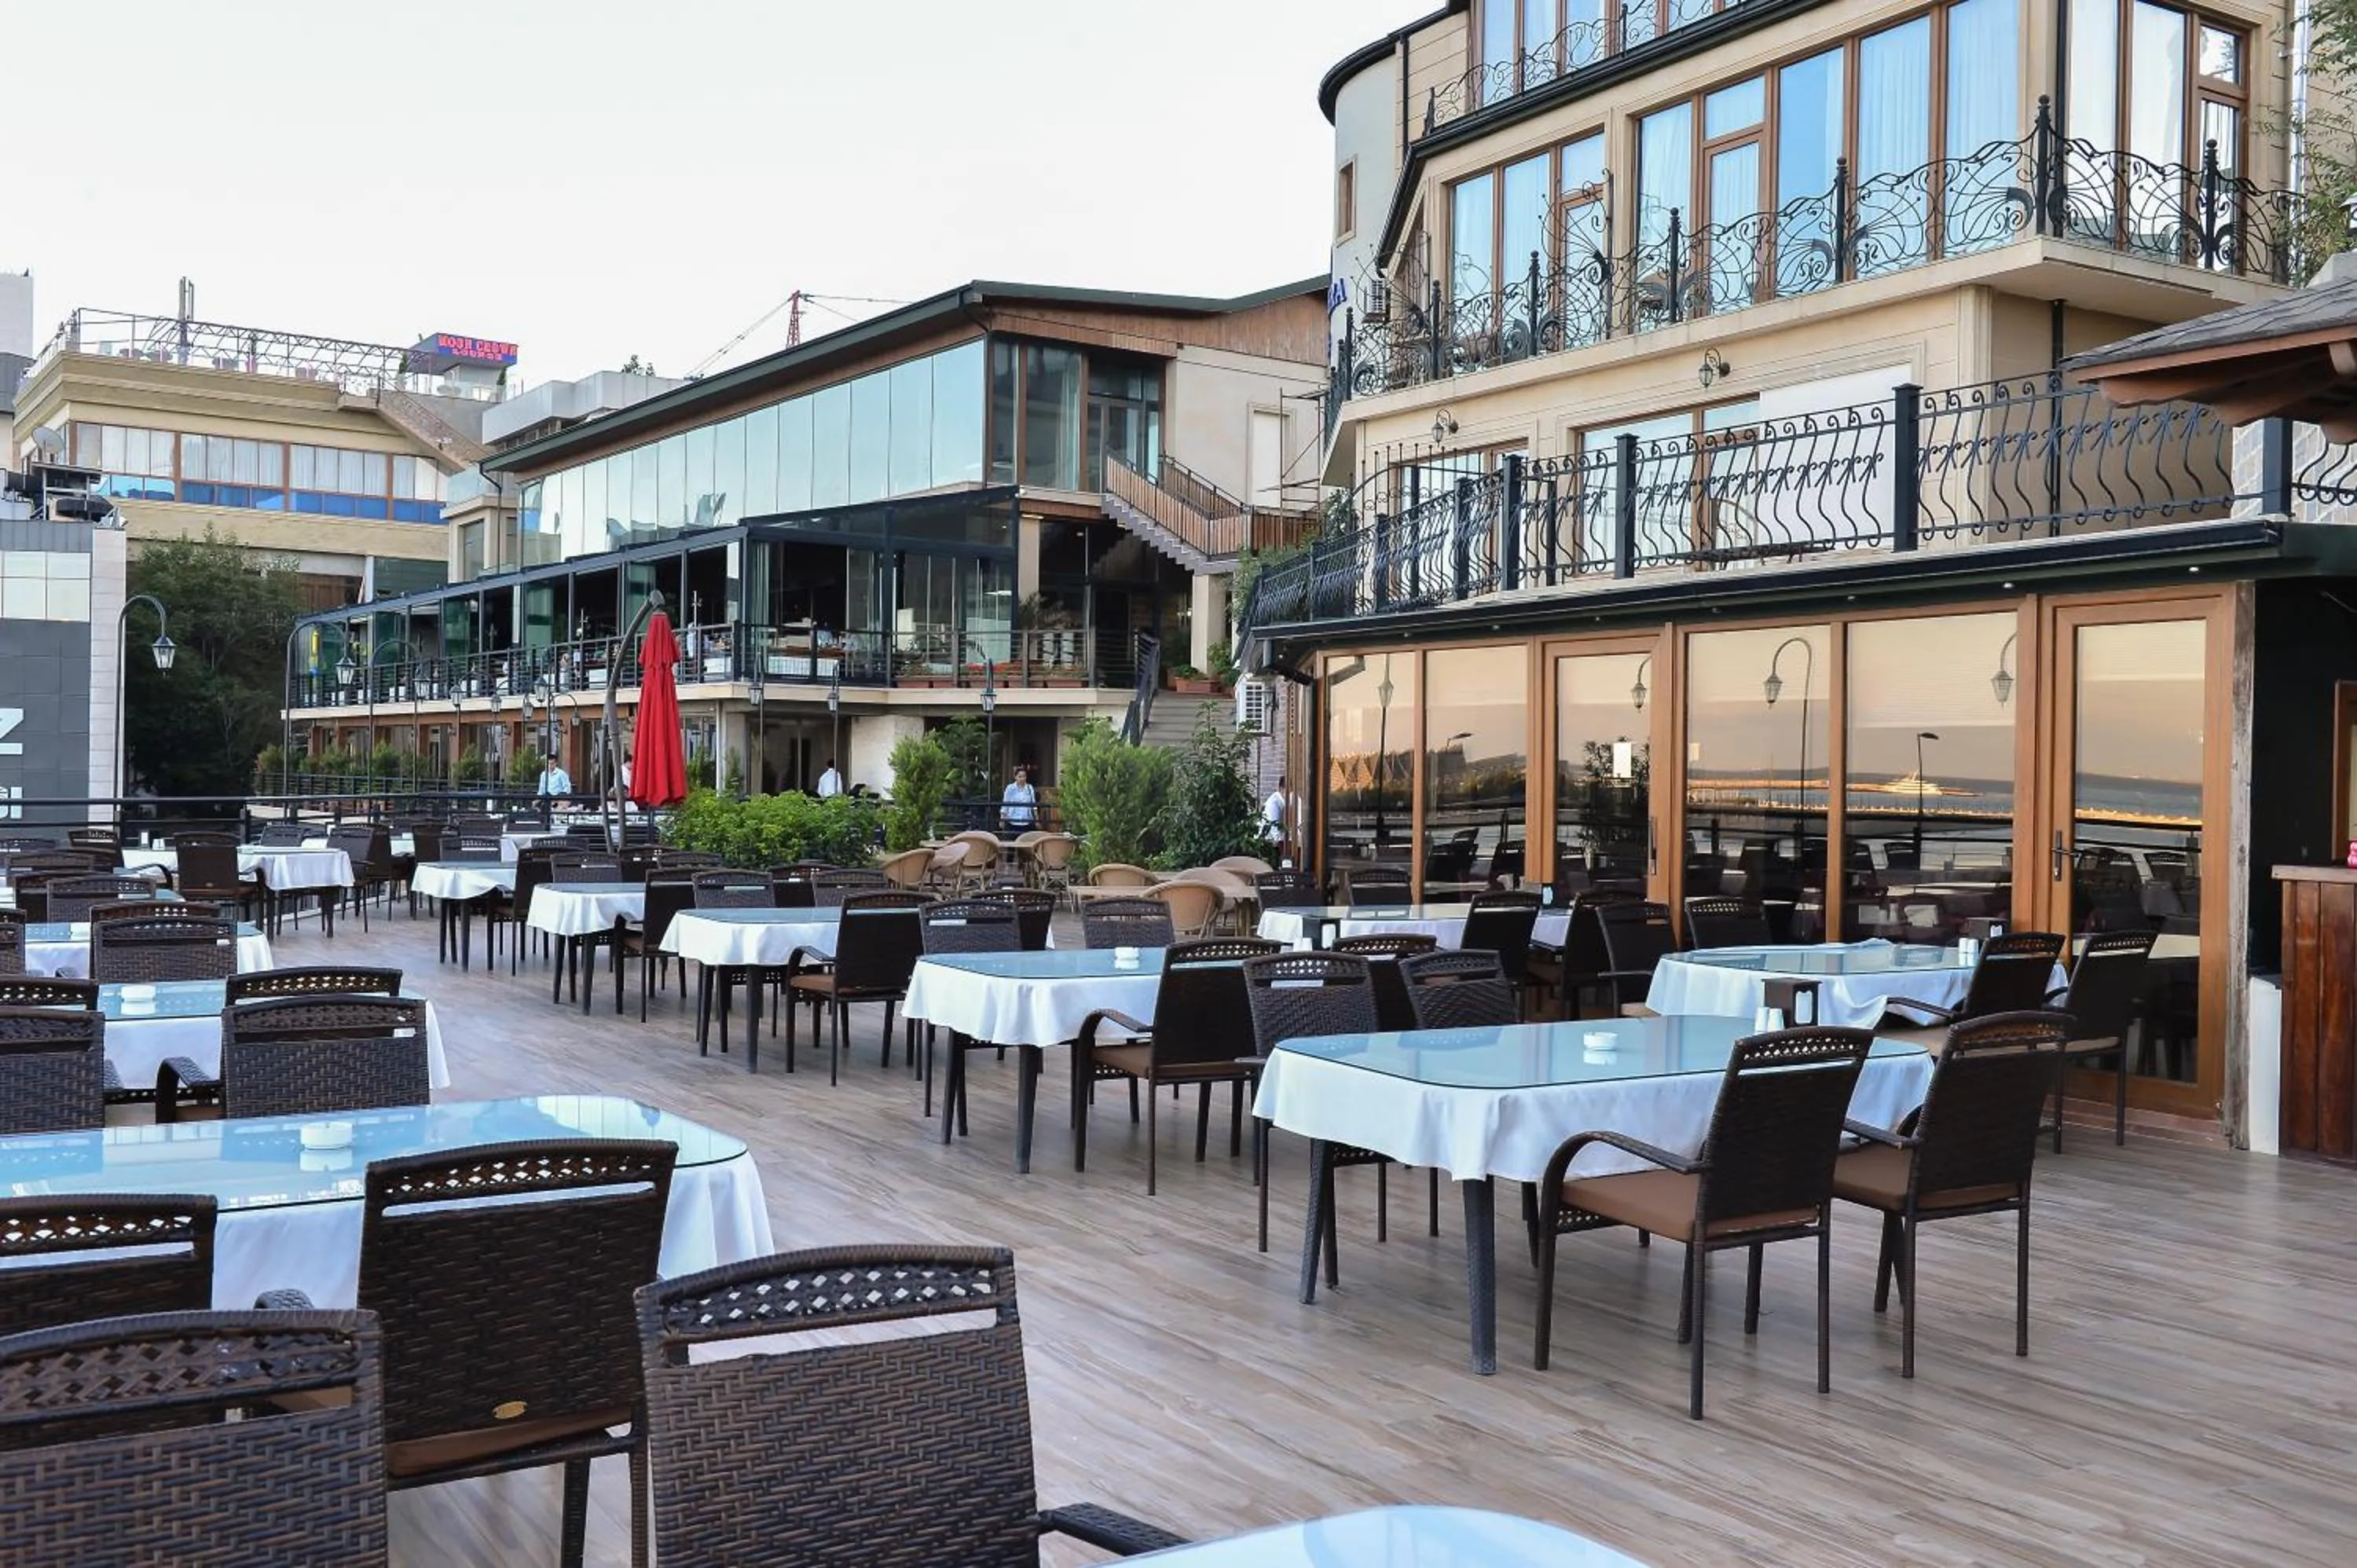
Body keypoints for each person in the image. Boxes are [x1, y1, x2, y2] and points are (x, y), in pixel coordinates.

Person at [999, 764, 1039, 830]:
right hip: (1013, 821)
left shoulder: (1029, 788)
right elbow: (1005, 805)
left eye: (1024, 776)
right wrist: (1002, 819)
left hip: (1027, 821)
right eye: (1020, 777)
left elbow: (1034, 805)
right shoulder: (1010, 788)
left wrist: (1037, 819)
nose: (1022, 779)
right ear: (1015, 777)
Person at [1263, 775, 1288, 846]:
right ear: (1281, 788)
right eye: (1288, 789)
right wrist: (1280, 842)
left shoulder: (1282, 801)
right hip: (1267, 840)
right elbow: (1274, 825)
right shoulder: (1274, 802)